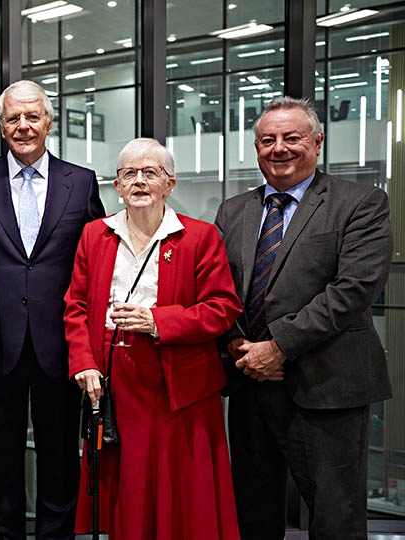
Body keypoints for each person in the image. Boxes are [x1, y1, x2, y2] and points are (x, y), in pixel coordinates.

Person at [215, 96, 393, 540]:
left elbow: (353, 289)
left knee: (336, 518)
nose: (279, 148)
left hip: (327, 386)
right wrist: (237, 343)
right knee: (253, 513)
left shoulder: (361, 203)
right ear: (256, 149)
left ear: (317, 142)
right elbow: (217, 288)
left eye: (291, 138)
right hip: (250, 384)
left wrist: (278, 346)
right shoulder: (234, 211)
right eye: (267, 140)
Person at [64, 138, 242, 539]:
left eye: (150, 173)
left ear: (170, 184)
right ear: (117, 186)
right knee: (128, 489)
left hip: (179, 387)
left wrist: (158, 321)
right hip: (115, 381)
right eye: (129, 173)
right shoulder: (95, 235)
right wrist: (84, 362)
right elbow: (74, 305)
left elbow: (223, 307)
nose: (139, 181)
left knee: (182, 493)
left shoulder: (200, 237)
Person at [0, 80, 104, 540]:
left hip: (60, 343)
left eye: (32, 117)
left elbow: (96, 259)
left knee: (59, 453)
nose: (23, 126)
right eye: (12, 119)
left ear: (48, 121)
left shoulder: (80, 181)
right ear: (1, 127)